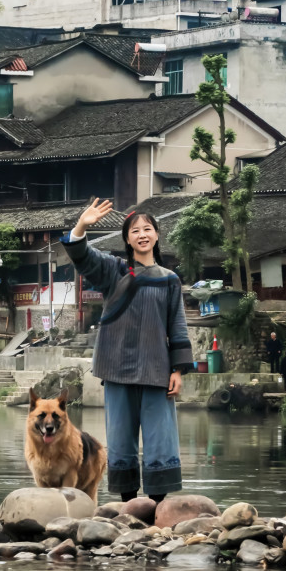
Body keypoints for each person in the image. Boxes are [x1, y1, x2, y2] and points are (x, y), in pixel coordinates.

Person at [62, 199, 193, 503]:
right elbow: (82, 256)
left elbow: (177, 326)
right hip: (116, 367)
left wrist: (178, 370)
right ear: (127, 239)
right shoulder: (113, 270)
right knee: (120, 439)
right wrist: (82, 225)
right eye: (135, 230)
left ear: (157, 235)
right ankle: (128, 506)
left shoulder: (169, 280)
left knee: (161, 439)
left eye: (147, 229)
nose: (142, 234)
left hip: (156, 369)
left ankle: (159, 505)